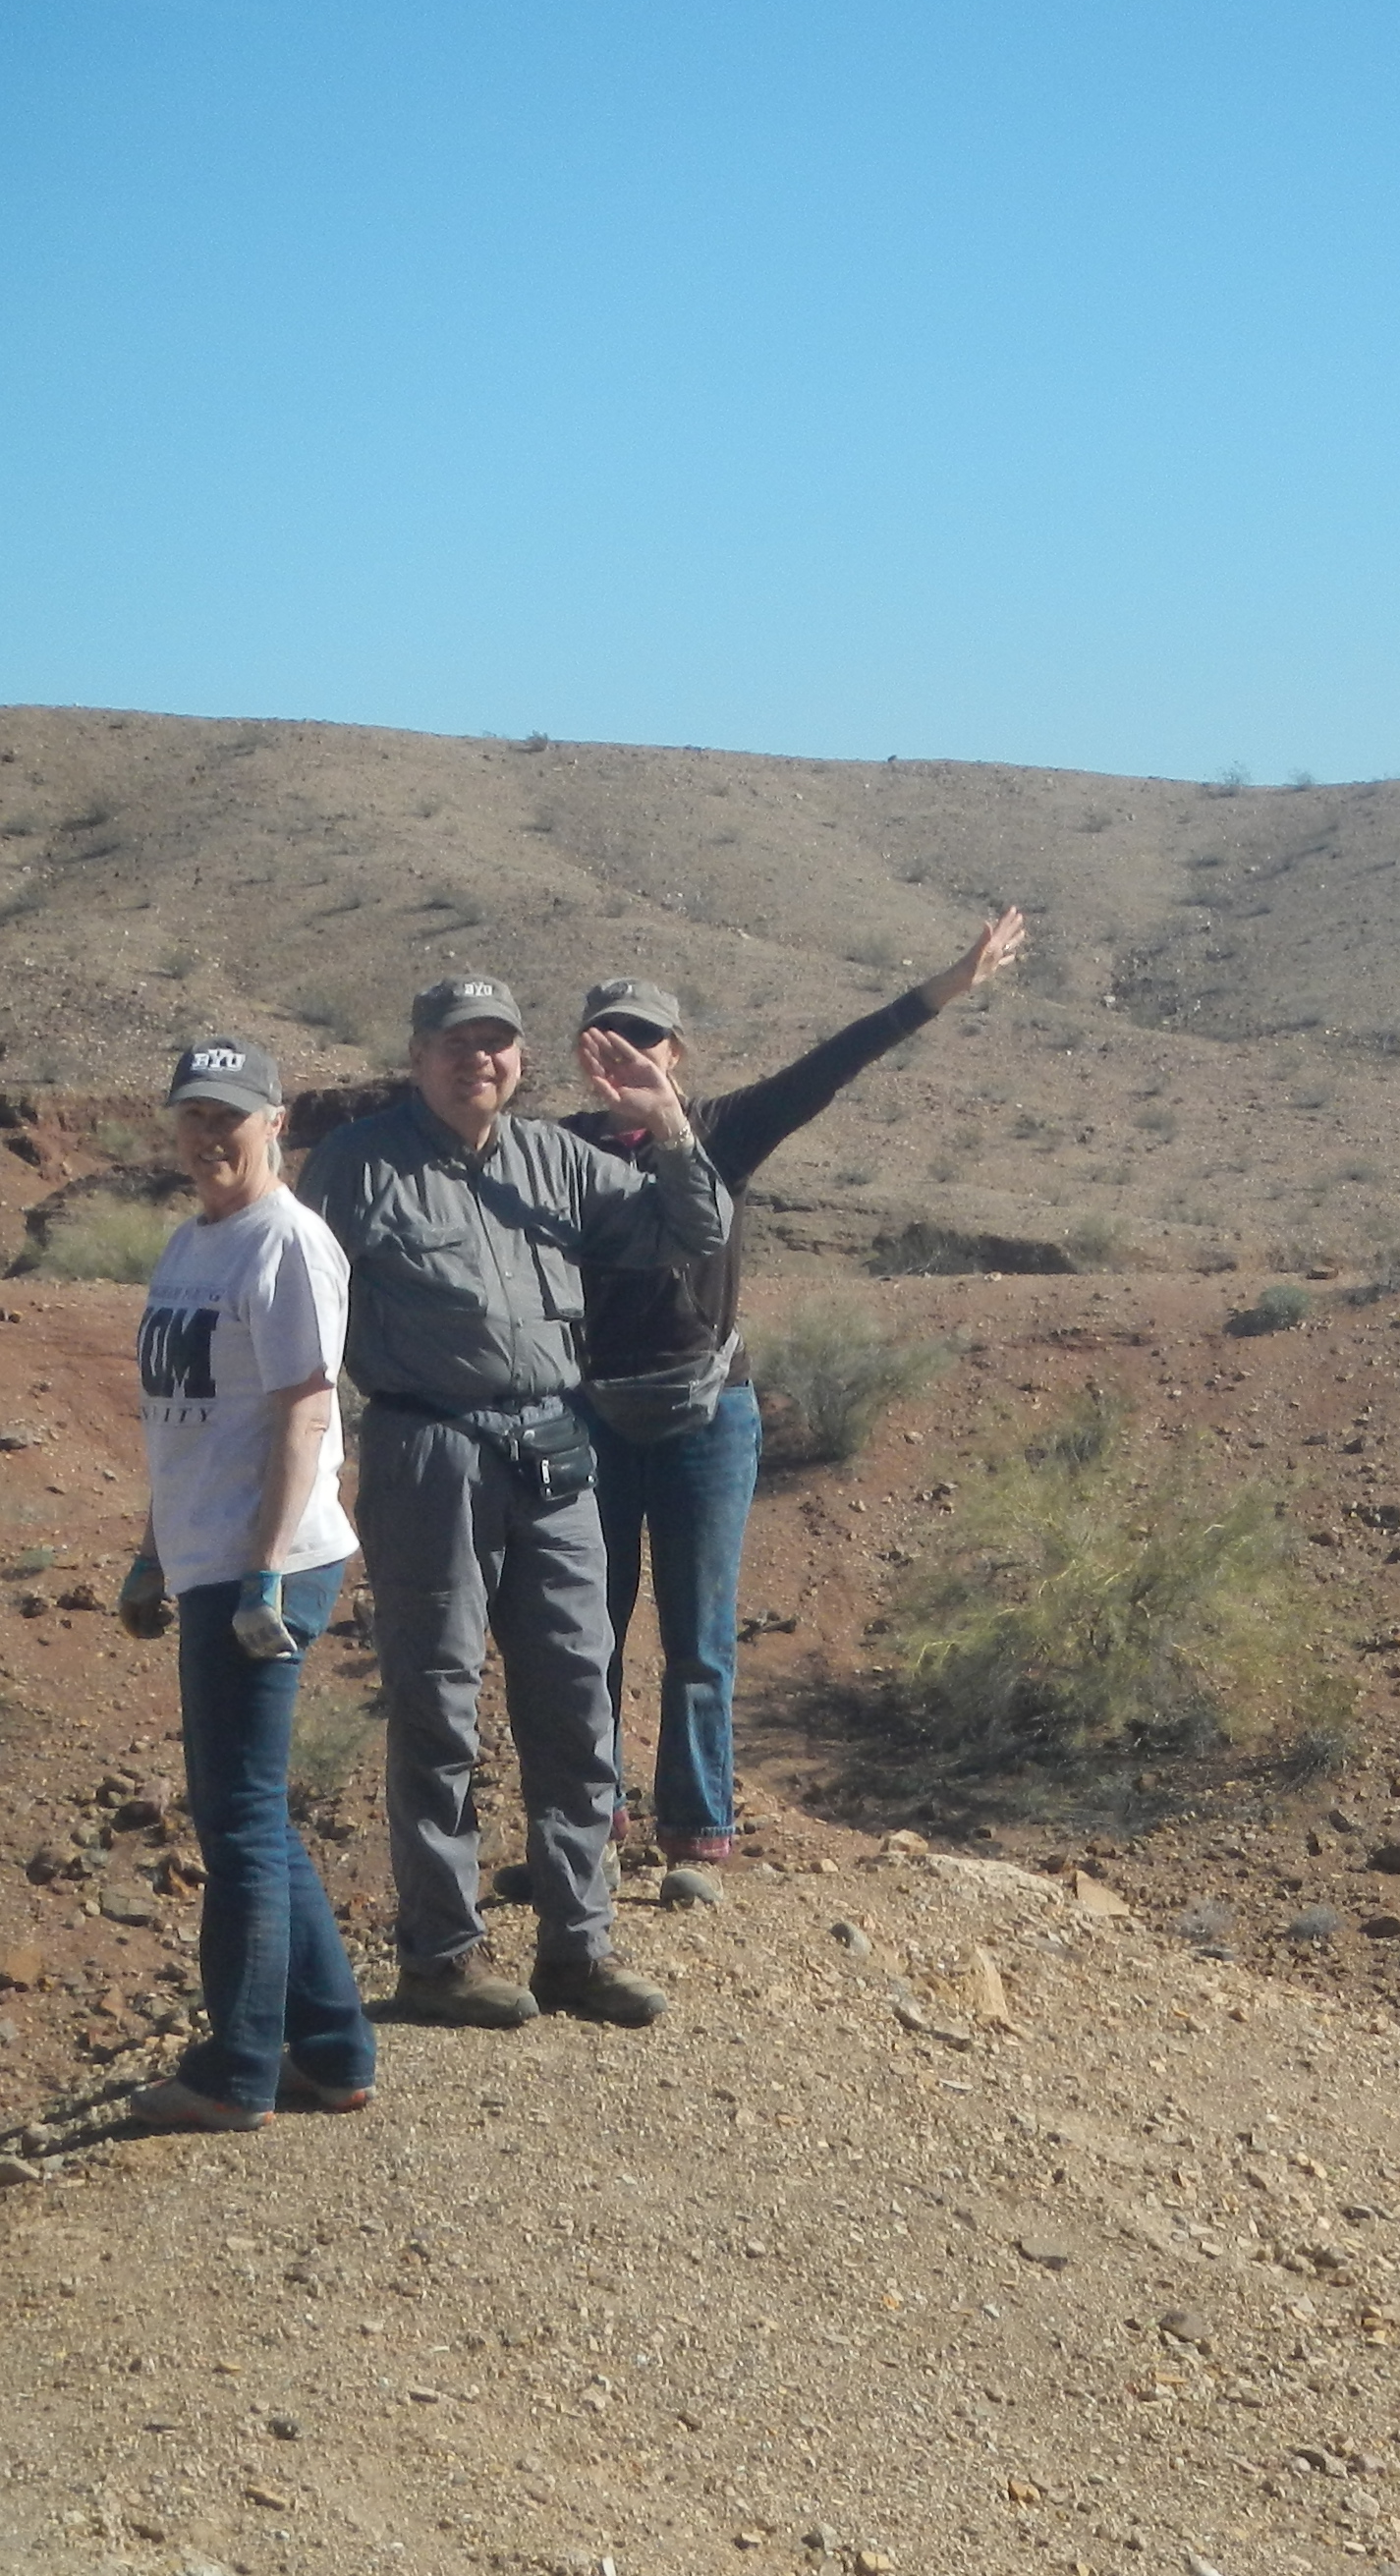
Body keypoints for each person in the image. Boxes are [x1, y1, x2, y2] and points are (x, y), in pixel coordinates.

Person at [301, 977, 729, 2029]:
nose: (477, 1061)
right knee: (437, 1702)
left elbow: (695, 1229)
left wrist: (666, 1118)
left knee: (578, 1694)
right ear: (418, 1057)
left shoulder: (556, 1159)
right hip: (427, 1449)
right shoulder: (358, 1164)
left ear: (520, 1060)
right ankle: (441, 1959)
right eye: (456, 1043)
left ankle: (577, 1949)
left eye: (496, 1043)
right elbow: (296, 1310)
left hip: (553, 1446)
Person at [568, 907, 1028, 1865]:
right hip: (595, 1417)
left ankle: (696, 1835)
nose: (629, 1054)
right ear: (584, 1052)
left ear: (677, 1052)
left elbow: (836, 1061)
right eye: (611, 1037)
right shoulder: (558, 1151)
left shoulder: (724, 1131)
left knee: (699, 1641)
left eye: (647, 1038)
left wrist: (949, 985)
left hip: (707, 1417)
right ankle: (589, 1824)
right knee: (585, 1631)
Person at [116, 1039, 377, 2131]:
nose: (209, 1135)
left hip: (267, 1563)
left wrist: (263, 1571)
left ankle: (236, 2072)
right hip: (209, 1554)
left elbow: (305, 1411)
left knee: (237, 1824)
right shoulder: (192, 1244)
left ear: (275, 1122)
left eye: (230, 1115)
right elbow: (182, 1418)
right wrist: (152, 1550)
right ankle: (333, 2051)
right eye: (194, 1115)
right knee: (251, 1813)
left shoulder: (289, 1241)